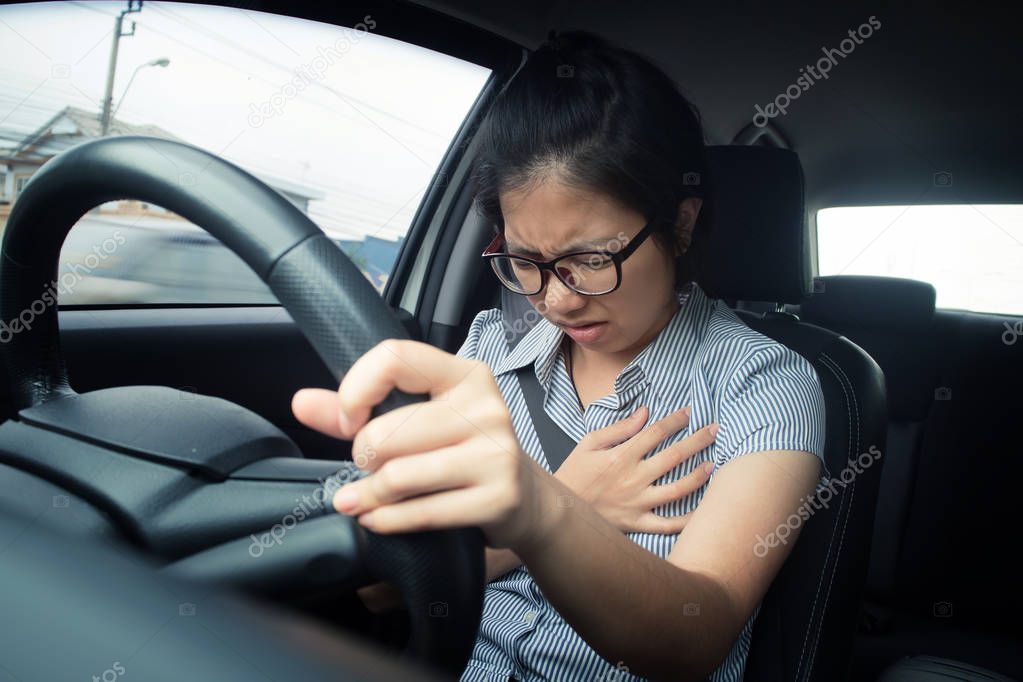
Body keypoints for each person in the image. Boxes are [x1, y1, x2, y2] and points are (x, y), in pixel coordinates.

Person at [291, 30, 829, 682]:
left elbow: (696, 637)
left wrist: (540, 514)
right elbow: (379, 591)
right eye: (526, 262)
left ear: (680, 225)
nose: (556, 301)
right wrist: (571, 498)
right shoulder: (486, 352)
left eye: (591, 261)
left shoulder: (767, 385)